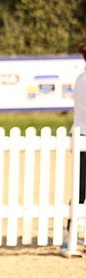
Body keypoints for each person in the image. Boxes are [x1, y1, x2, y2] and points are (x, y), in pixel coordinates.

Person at [62, 42, 86, 256]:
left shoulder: (81, 77)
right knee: (80, 189)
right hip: (84, 136)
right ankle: (70, 235)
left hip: (79, 134)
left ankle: (70, 234)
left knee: (80, 189)